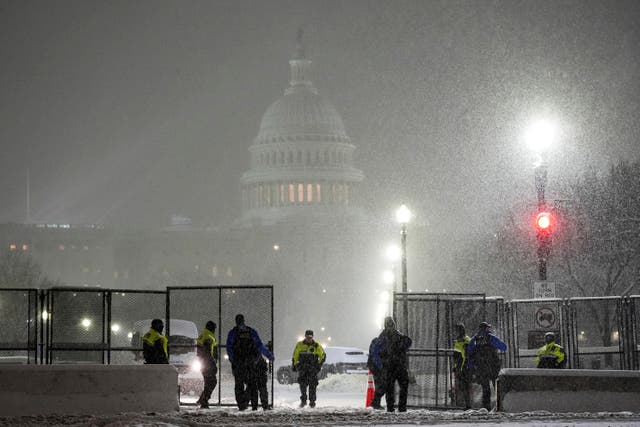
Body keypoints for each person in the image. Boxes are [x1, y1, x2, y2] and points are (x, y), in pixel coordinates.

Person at [226, 314, 275, 411]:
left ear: (236, 321)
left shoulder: (233, 333)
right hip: (250, 363)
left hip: (239, 363)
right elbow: (260, 346)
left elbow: (229, 348)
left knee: (239, 385)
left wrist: (233, 361)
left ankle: (242, 404)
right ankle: (252, 404)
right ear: (244, 320)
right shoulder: (251, 331)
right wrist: (269, 355)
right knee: (251, 384)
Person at [467, 321, 507, 411]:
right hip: (493, 367)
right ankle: (499, 405)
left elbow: (469, 353)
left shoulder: (475, 339)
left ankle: (486, 407)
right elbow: (504, 347)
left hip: (481, 368)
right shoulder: (491, 338)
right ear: (487, 328)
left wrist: (472, 366)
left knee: (485, 388)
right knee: (497, 387)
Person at [377, 316, 412, 412]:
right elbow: (408, 342)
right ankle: (399, 407)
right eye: (391, 325)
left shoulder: (385, 336)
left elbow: (408, 342)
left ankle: (392, 407)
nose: (391, 327)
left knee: (391, 388)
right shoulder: (396, 335)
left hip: (392, 367)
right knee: (397, 387)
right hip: (396, 366)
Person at [292, 330, 326, 408]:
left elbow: (323, 356)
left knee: (312, 386)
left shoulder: (316, 346)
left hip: (312, 370)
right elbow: (295, 355)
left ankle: (312, 402)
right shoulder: (300, 345)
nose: (309, 339)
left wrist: (319, 365)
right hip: (303, 369)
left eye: (310, 337)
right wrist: (294, 365)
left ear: (312, 337)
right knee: (302, 386)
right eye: (307, 337)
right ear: (305, 336)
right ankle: (303, 401)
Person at [196, 320, 218, 409]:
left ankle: (202, 399)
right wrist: (212, 362)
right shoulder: (208, 336)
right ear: (211, 328)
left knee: (208, 382)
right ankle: (204, 401)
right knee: (212, 382)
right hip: (207, 362)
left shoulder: (203, 334)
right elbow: (207, 351)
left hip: (203, 362)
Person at [452, 323, 472, 409]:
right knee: (462, 386)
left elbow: (465, 355)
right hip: (460, 367)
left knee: (465, 385)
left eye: (457, 330)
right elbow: (457, 356)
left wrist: (463, 366)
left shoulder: (466, 340)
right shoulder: (458, 341)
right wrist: (456, 366)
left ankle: (468, 405)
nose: (455, 332)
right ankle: (466, 404)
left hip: (465, 367)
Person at [367, 336, 385, 410]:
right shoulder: (381, 342)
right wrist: (380, 366)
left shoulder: (378, 341)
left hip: (375, 366)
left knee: (380, 385)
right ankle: (375, 403)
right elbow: (375, 355)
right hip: (376, 367)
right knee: (381, 385)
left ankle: (375, 403)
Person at [256, 341, 274, 410]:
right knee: (262, 389)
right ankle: (264, 405)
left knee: (253, 389)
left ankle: (251, 405)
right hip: (260, 372)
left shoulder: (250, 351)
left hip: (257, 372)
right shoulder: (260, 351)